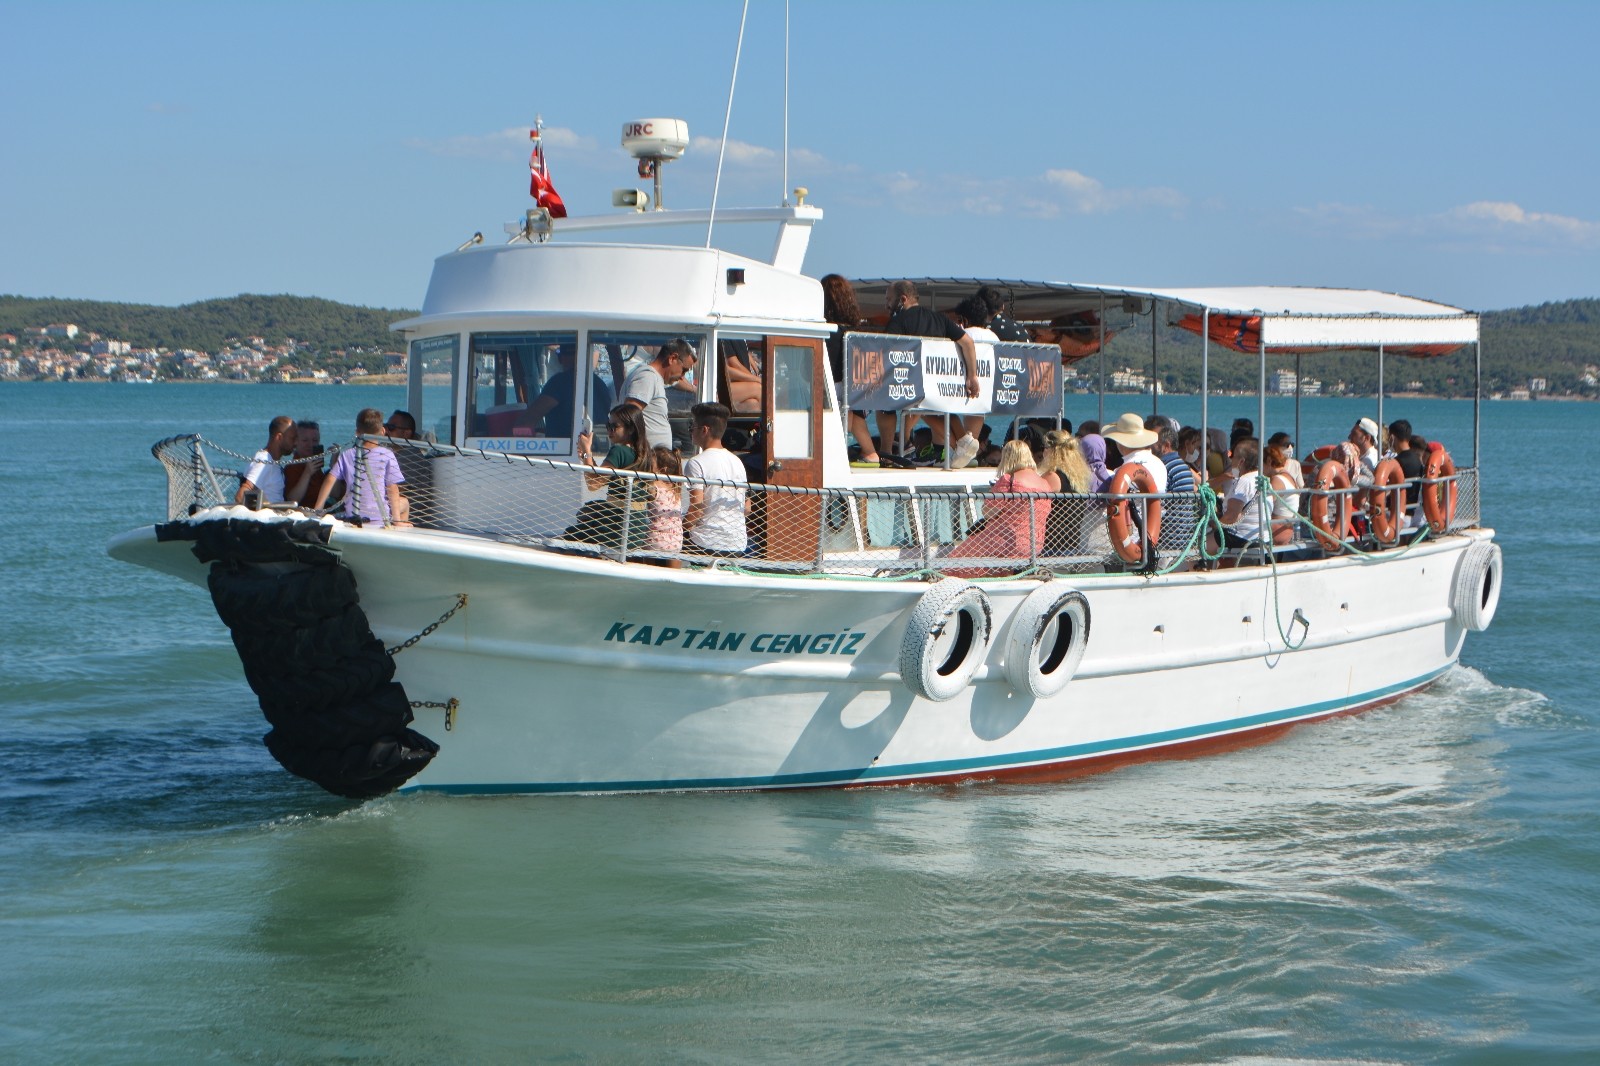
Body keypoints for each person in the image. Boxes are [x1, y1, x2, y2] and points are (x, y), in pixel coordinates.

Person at [879, 281, 981, 467]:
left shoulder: (899, 321)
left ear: (902, 299)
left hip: (911, 385)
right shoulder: (939, 319)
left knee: (885, 406)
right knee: (934, 410)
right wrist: (972, 375)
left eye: (889, 299)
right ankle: (963, 441)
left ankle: (887, 453)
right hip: (939, 385)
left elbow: (887, 351)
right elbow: (967, 343)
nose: (887, 304)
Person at [943, 440, 1052, 576]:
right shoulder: (1045, 484)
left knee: (955, 561)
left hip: (1002, 541)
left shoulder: (1009, 480)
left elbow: (988, 512)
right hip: (1033, 544)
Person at [819, 274, 883, 466]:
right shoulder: (855, 331)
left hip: (835, 388)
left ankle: (867, 453)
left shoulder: (827, 331)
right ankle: (870, 452)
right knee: (851, 411)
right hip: (856, 389)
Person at [569, 404, 652, 548]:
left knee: (569, 535)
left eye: (614, 426)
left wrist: (587, 451)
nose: (609, 430)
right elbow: (598, 477)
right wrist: (586, 456)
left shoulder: (618, 451)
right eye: (608, 425)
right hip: (637, 529)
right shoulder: (645, 454)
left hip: (616, 527)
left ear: (631, 429)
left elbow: (593, 484)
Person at [313, 408, 407, 525]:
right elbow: (392, 488)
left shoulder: (347, 454)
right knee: (405, 503)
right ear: (382, 431)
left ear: (357, 432)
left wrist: (319, 508)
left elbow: (330, 479)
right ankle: (398, 527)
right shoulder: (387, 454)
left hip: (353, 514)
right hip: (379, 517)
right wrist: (396, 519)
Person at [683, 402, 749, 556]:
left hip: (706, 543)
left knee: (668, 539)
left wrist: (680, 526)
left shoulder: (696, 462)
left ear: (704, 430)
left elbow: (696, 509)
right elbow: (747, 508)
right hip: (737, 543)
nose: (690, 431)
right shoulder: (737, 462)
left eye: (692, 427)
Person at [517, 346, 613, 437]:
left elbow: (527, 420)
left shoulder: (559, 382)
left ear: (560, 358)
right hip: (594, 448)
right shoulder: (600, 384)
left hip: (563, 450)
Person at [623, 338, 698, 450]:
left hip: (653, 460)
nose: (682, 376)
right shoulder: (647, 378)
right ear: (672, 358)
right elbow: (627, 417)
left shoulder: (653, 378)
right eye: (684, 370)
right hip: (644, 461)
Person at [235, 415, 296, 505]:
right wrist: (266, 507)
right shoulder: (264, 461)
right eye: (292, 438)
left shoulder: (273, 462)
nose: (296, 442)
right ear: (279, 437)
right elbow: (241, 496)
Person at [1219, 438, 1266, 550]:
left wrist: (1214, 524)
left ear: (1241, 461)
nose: (1231, 461)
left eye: (1233, 457)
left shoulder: (1244, 481)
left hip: (1242, 536)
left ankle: (1199, 567)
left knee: (1202, 541)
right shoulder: (1262, 478)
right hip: (1262, 535)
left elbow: (1231, 517)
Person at [645, 445, 685, 566]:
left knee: (647, 569)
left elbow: (645, 490)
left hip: (655, 538)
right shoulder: (676, 488)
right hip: (676, 539)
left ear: (662, 470)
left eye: (649, 465)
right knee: (673, 572)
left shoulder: (655, 485)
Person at [1263, 441, 1301, 544]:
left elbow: (1264, 506)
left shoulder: (1277, 480)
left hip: (1278, 531)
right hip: (1287, 528)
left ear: (1269, 461)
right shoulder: (1288, 476)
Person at [281, 418, 326, 505]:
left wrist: (335, 465)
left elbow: (336, 493)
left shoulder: (317, 467)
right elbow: (292, 500)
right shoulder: (291, 468)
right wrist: (307, 473)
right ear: (296, 442)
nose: (310, 444)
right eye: (305, 440)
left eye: (315, 441)